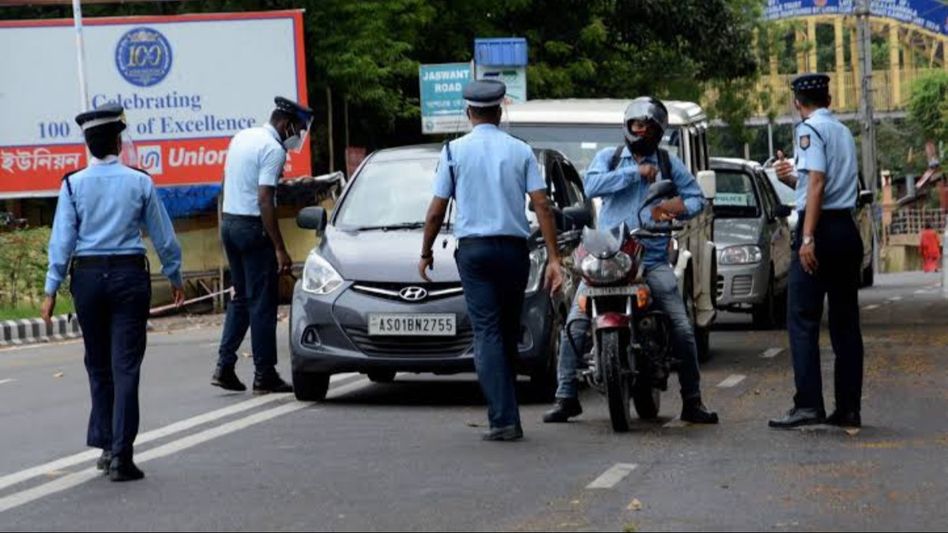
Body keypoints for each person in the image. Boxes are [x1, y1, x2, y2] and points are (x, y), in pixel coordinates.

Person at [542, 97, 719, 425]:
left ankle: (692, 400)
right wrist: (634, 173)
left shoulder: (668, 163)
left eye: (647, 127)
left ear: (657, 131)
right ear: (627, 127)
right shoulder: (609, 159)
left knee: (682, 326)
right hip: (609, 258)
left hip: (651, 259)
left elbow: (696, 198)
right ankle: (566, 396)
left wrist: (669, 210)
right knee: (575, 322)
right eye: (636, 125)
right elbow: (591, 186)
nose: (640, 131)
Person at [42, 104, 185, 481]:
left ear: (89, 144)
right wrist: (174, 275)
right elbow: (163, 236)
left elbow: (62, 241)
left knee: (98, 364)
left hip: (87, 280)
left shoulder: (72, 184)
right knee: (126, 366)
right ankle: (122, 455)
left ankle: (107, 446)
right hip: (128, 278)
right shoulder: (140, 182)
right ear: (118, 142)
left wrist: (50, 288)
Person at [419, 79, 564, 442]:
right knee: (507, 330)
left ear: (469, 113)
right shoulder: (520, 150)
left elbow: (436, 211)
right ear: (499, 113)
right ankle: (507, 412)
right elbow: (542, 205)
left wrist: (426, 251)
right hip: (514, 252)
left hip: (475, 253)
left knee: (487, 332)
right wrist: (554, 258)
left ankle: (503, 419)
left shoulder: (453, 151)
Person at [769, 73, 865, 430]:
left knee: (803, 318)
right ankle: (849, 408)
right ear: (829, 99)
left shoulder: (808, 130)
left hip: (821, 230)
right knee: (846, 323)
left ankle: (808, 404)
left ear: (798, 103)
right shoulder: (843, 131)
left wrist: (807, 237)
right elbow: (816, 183)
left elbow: (819, 182)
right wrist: (791, 180)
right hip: (846, 230)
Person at [212, 97, 313, 395]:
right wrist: (280, 248)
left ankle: (224, 366)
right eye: (298, 129)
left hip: (230, 223)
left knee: (241, 298)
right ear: (285, 124)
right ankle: (264, 374)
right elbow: (265, 199)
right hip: (253, 228)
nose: (298, 136)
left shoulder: (242, 137)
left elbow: (226, 184)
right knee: (262, 304)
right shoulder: (273, 149)